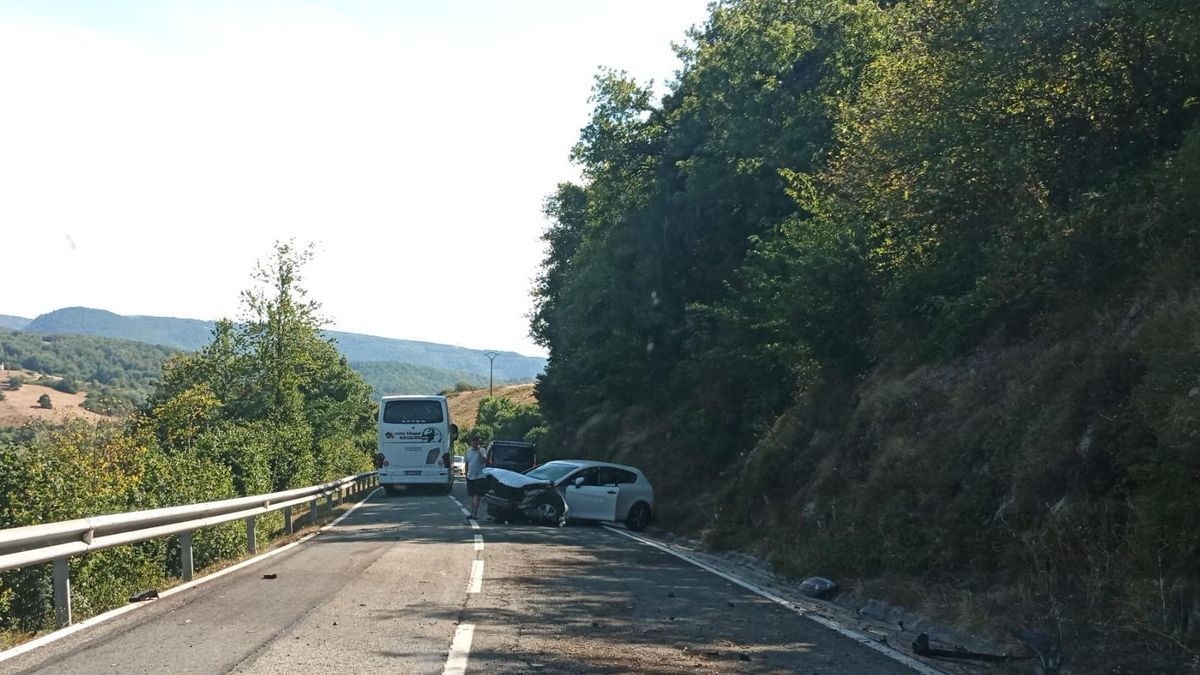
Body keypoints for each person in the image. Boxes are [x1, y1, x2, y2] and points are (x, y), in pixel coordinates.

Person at [464, 438, 487, 520]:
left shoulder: (482, 450)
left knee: (476, 495)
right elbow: (466, 463)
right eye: (473, 443)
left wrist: (478, 451)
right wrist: (466, 473)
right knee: (472, 496)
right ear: (471, 443)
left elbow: (483, 461)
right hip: (470, 476)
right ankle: (473, 512)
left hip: (480, 476)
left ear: (479, 444)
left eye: (476, 444)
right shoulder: (468, 451)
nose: (474, 445)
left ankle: (474, 513)